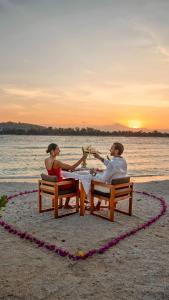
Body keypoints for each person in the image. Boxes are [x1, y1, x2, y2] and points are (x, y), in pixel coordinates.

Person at [45, 143, 87, 208]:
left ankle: (82, 198)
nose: (59, 150)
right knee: (74, 181)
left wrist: (65, 169)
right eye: (58, 149)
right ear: (52, 151)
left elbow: (53, 171)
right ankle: (81, 199)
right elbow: (73, 167)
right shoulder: (57, 162)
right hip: (59, 185)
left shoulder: (46, 160)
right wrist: (83, 158)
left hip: (52, 184)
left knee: (70, 179)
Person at [91, 142, 127, 210]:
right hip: (121, 189)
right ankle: (99, 204)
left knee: (90, 181)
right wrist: (99, 158)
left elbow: (102, 180)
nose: (110, 150)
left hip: (111, 190)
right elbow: (111, 166)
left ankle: (92, 204)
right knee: (104, 178)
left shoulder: (113, 163)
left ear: (116, 151)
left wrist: (94, 173)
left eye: (111, 148)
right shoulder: (123, 161)